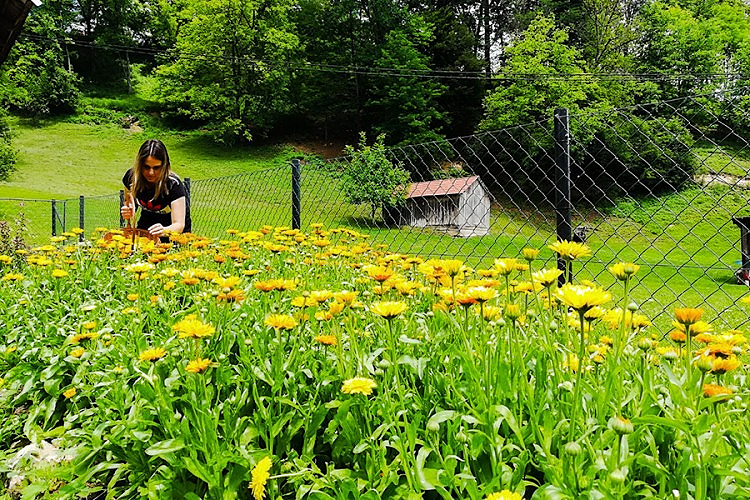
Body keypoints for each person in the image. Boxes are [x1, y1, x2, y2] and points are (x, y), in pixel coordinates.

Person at [120, 139, 192, 240]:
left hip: (172, 233)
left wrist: (165, 231)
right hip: (146, 227)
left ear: (164, 166)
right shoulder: (131, 178)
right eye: (146, 167)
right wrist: (128, 211)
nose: (151, 173)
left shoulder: (173, 185)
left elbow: (179, 225)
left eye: (156, 168)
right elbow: (130, 204)